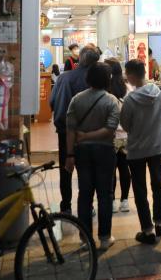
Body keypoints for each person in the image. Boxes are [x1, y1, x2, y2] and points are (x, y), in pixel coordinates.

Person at [64, 62, 120, 250]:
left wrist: (70, 154)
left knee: (85, 194)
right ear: (107, 80)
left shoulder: (77, 99)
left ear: (88, 78)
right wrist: (90, 136)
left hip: (82, 152)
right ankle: (105, 238)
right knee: (105, 195)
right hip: (105, 151)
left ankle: (86, 239)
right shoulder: (111, 101)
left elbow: (70, 130)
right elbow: (110, 129)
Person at [120, 59, 161, 244]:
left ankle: (147, 230)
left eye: (127, 74)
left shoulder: (129, 99)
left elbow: (125, 125)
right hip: (157, 147)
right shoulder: (159, 91)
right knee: (157, 185)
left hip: (136, 150)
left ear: (131, 76)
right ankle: (160, 223)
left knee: (140, 189)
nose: (126, 77)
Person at [50, 44, 100, 214]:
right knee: (86, 170)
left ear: (80, 58)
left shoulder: (64, 77)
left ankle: (66, 206)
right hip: (87, 133)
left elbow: (52, 102)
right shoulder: (94, 80)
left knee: (66, 170)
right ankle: (88, 206)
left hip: (64, 131)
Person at [105, 58, 132, 214]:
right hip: (126, 135)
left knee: (111, 170)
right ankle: (125, 201)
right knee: (124, 168)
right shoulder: (127, 88)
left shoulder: (106, 90)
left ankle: (112, 201)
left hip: (111, 135)